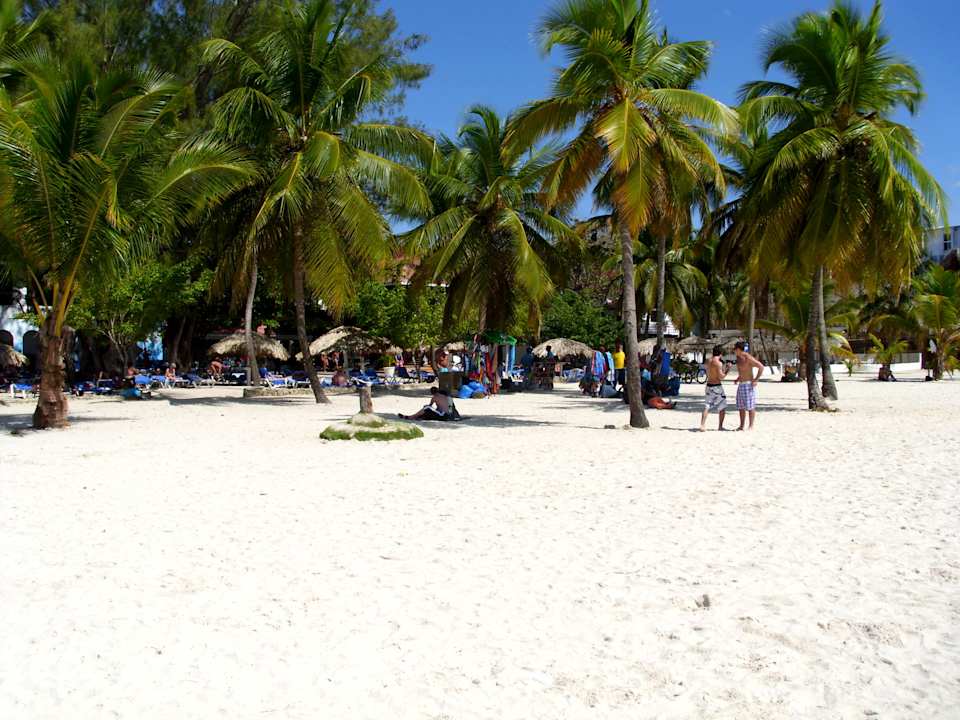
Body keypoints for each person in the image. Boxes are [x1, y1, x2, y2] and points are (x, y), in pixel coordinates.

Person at [733, 341, 763, 430]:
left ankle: (751, 425)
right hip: (741, 384)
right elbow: (743, 371)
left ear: (738, 349)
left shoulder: (748, 357)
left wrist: (756, 379)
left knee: (750, 406)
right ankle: (741, 426)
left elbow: (761, 367)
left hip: (748, 384)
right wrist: (738, 378)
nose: (734, 350)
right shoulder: (738, 358)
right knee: (741, 406)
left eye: (735, 349)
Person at [699, 345, 730, 431]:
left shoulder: (708, 361)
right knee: (722, 407)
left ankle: (702, 425)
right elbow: (721, 377)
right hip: (717, 386)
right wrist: (727, 369)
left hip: (709, 385)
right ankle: (720, 426)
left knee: (707, 406)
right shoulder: (718, 363)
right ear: (720, 353)